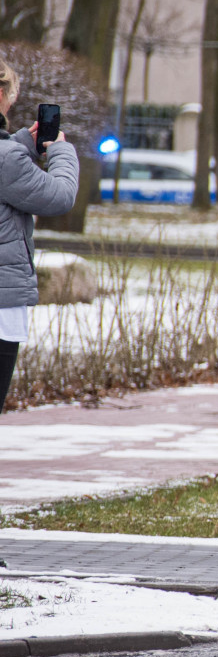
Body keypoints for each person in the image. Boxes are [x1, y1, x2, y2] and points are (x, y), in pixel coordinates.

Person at [0, 60, 77, 411]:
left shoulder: (9, 156)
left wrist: (19, 145)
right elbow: (59, 196)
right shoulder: (7, 160)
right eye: (12, 94)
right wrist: (59, 150)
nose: (13, 103)